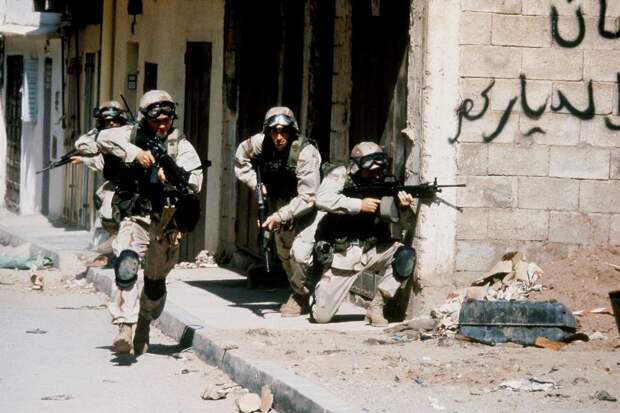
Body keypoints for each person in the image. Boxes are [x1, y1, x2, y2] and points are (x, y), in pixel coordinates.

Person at [96, 90, 203, 355]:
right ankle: (125, 325)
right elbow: (103, 137)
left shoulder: (181, 146)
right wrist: (135, 153)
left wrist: (172, 177)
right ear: (144, 118)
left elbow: (195, 182)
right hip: (137, 215)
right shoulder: (131, 134)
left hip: (167, 221)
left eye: (167, 120)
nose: (162, 126)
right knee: (127, 264)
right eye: (157, 121)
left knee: (155, 283)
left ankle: (144, 322)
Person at [311, 141, 417, 326]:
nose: (376, 175)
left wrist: (404, 208)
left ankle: (377, 306)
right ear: (356, 167)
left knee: (405, 255)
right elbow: (322, 199)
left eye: (379, 171)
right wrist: (359, 205)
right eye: (370, 171)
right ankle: (316, 292)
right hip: (343, 255)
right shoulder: (341, 175)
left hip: (374, 248)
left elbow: (406, 225)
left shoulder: (387, 182)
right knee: (321, 317)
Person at [234, 106, 322, 317]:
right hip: (280, 202)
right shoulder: (260, 142)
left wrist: (280, 216)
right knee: (284, 251)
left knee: (300, 253)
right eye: (274, 131)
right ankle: (299, 291)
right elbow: (240, 157)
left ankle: (305, 293)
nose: (279, 137)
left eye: (284, 131)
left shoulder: (305, 152)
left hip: (307, 206)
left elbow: (309, 197)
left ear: (292, 131)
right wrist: (256, 183)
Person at [70, 101, 128, 263]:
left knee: (110, 215)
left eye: (114, 120)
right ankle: (109, 250)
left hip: (131, 186)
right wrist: (83, 159)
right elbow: (100, 159)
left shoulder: (127, 134)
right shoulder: (105, 138)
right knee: (101, 198)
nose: (112, 124)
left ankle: (116, 251)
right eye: (107, 121)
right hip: (118, 183)